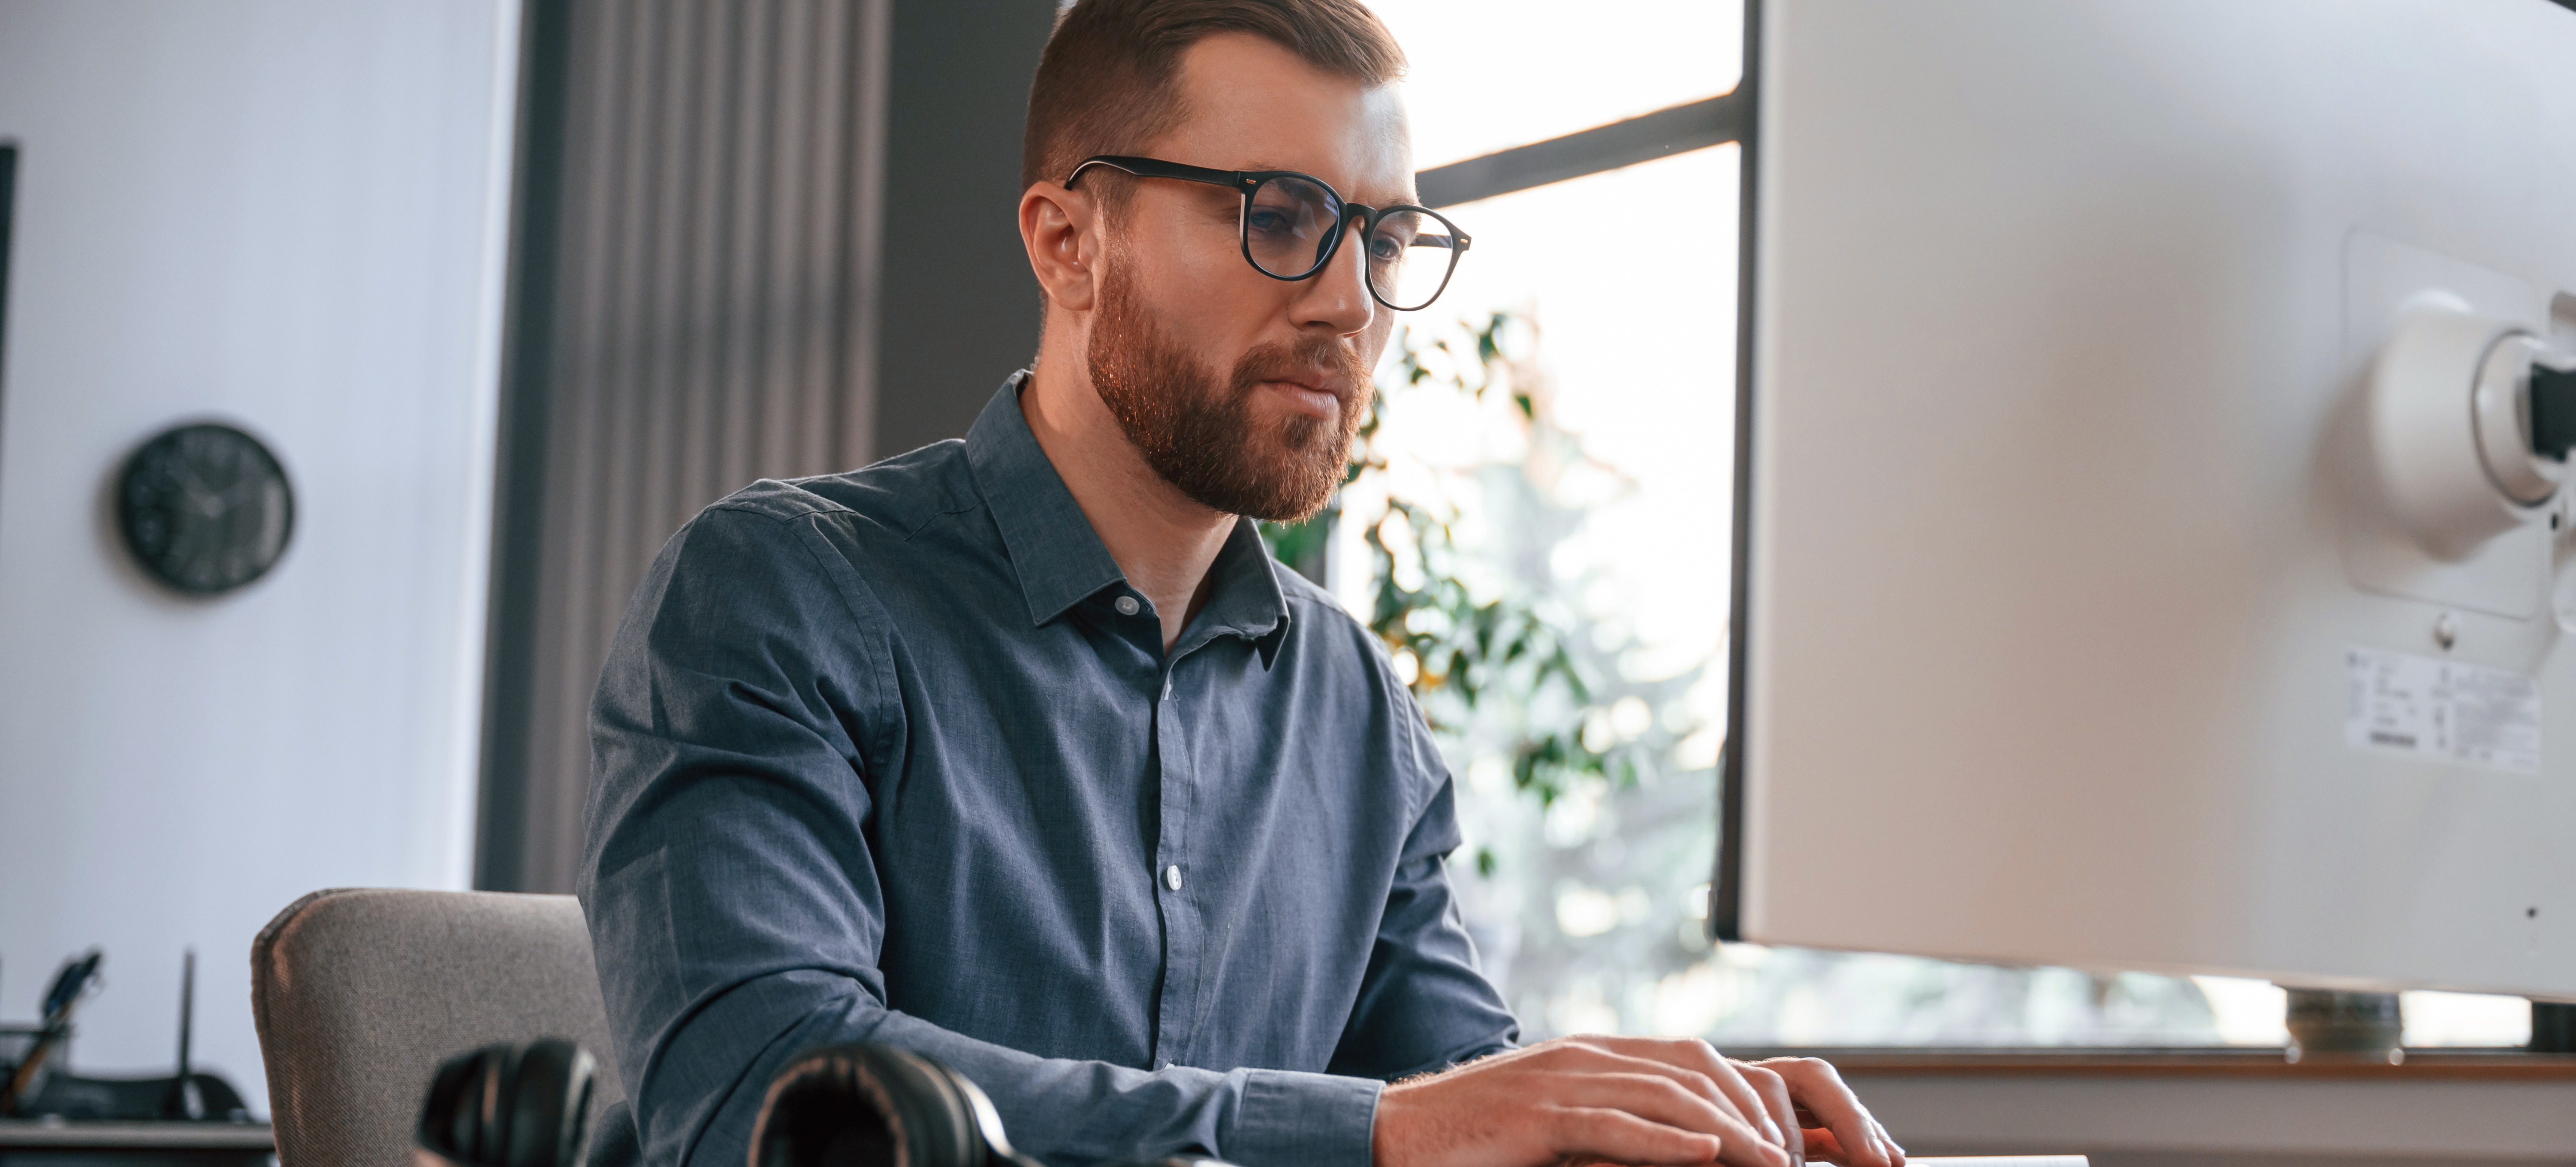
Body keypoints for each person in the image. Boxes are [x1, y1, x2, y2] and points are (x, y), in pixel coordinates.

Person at [580, 2, 1907, 1165]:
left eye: (1385, 240)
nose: (1350, 304)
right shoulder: (779, 593)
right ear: (1067, 245)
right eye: (1282, 217)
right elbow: (760, 1104)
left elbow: (1457, 1096)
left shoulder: (1354, 710)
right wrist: (1376, 1131)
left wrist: (1643, 1127)